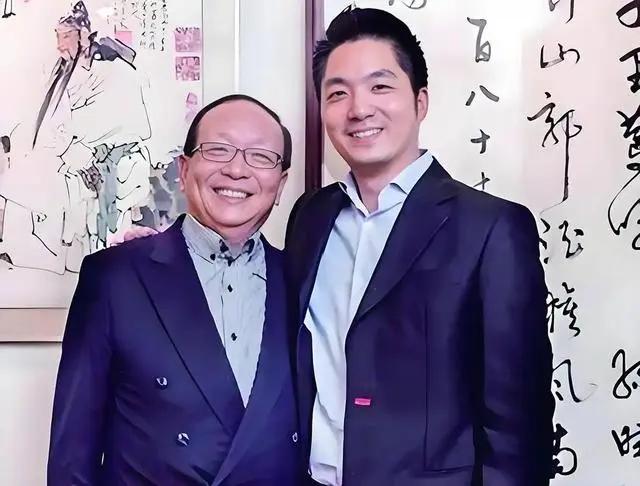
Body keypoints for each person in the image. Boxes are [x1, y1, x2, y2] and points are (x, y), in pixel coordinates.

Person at [285, 7, 554, 486]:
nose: (358, 109)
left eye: (380, 86)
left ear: (420, 101)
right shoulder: (311, 217)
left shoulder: (491, 229)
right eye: (337, 93)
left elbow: (518, 426)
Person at [48, 94, 300, 485]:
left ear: (280, 184)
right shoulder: (114, 277)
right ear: (184, 169)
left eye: (260, 156)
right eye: (218, 149)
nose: (237, 169)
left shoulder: (303, 281)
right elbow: (71, 460)